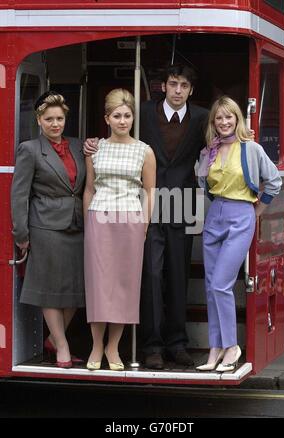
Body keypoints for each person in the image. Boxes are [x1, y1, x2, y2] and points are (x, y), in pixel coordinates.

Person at [84, 64, 208, 369]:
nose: (178, 90)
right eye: (173, 84)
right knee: (150, 276)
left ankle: (177, 344)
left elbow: (221, 142)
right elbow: (117, 135)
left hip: (181, 203)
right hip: (143, 204)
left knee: (178, 275)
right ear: (163, 86)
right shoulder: (142, 111)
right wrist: (92, 143)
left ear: (191, 91)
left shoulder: (203, 117)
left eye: (184, 86)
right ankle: (152, 345)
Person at [196, 96, 282, 372]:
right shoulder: (209, 150)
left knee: (221, 283)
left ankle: (232, 345)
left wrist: (256, 211)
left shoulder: (251, 148)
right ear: (213, 122)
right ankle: (216, 347)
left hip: (241, 215)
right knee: (211, 287)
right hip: (214, 216)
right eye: (218, 118)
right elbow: (203, 182)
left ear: (238, 118)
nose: (224, 122)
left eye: (228, 117)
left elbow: (275, 181)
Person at [11, 91, 86, 368]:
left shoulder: (78, 146)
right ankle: (62, 344)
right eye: (49, 119)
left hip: (77, 225)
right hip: (44, 227)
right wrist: (21, 234)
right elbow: (19, 194)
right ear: (39, 121)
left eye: (60, 118)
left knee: (77, 290)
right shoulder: (29, 149)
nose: (55, 124)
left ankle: (54, 339)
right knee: (50, 289)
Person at [83, 88, 156, 371]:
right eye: (117, 116)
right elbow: (89, 189)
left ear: (133, 118)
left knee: (124, 286)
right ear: (107, 118)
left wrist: (144, 225)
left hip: (130, 219)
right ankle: (96, 345)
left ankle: (113, 348)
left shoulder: (144, 151)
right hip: (99, 218)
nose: (123, 120)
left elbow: (150, 192)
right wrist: (88, 222)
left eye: (127, 115)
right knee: (99, 285)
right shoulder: (95, 148)